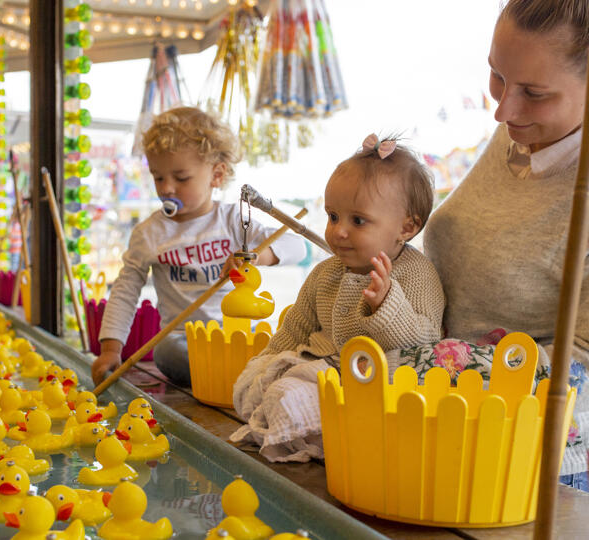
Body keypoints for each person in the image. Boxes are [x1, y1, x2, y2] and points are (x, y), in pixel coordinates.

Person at [423, 0, 589, 491]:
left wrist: (457, 370)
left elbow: (582, 364)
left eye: (534, 93)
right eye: (497, 76)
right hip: (448, 424)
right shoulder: (516, 133)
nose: (503, 109)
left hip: (530, 461)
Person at [231, 134, 445, 462]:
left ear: (406, 226)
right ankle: (301, 424)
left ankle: (321, 433)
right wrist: (266, 363)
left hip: (373, 384)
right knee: (253, 388)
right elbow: (294, 329)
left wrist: (387, 303)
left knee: (288, 397)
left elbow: (426, 339)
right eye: (333, 216)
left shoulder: (415, 273)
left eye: (357, 221)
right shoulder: (326, 272)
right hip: (318, 369)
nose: (339, 231)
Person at [91, 106, 306, 387]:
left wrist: (256, 256)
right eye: (158, 177)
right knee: (166, 352)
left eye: (181, 178)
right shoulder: (149, 233)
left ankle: (242, 374)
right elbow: (125, 291)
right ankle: (244, 377)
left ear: (217, 175)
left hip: (239, 333)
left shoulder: (231, 220)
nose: (167, 188)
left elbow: (297, 247)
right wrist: (111, 349)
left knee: (283, 342)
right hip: (185, 340)